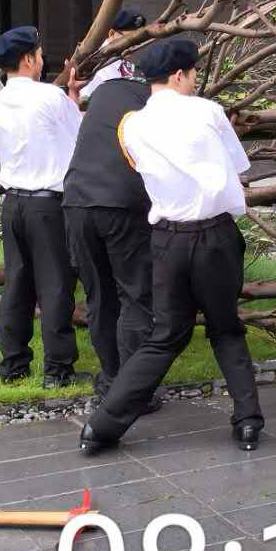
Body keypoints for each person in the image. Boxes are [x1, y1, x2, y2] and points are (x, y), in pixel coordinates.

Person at [77, 38, 266, 454]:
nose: (195, 80)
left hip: (166, 241)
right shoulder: (208, 111)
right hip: (215, 236)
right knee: (226, 328)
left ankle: (100, 427)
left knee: (163, 336)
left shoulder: (131, 125)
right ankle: (248, 423)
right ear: (180, 75)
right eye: (193, 73)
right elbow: (238, 166)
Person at [0, 26, 85, 389]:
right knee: (55, 285)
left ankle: (13, 366)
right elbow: (80, 139)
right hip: (48, 205)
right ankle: (58, 370)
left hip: (13, 204)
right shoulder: (50, 97)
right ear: (28, 59)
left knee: (17, 284)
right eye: (39, 54)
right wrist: (73, 99)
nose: (42, 60)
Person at [62, 46, 161, 411]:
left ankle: (110, 380)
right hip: (121, 204)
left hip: (76, 201)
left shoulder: (103, 92)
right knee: (135, 293)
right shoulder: (154, 102)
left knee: (100, 295)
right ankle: (132, 392)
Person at [80, 7, 147, 104]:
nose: (134, 45)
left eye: (139, 40)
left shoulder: (124, 63)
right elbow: (84, 104)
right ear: (111, 34)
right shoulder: (93, 63)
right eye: (130, 39)